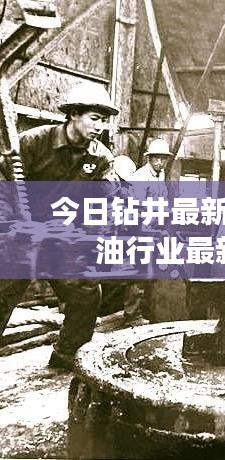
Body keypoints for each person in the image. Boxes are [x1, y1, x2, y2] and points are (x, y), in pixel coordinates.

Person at [0, 81, 119, 371]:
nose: (100, 127)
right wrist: (10, 225)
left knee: (86, 293)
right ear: (74, 114)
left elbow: (105, 205)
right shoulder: (32, 143)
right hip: (21, 235)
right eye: (94, 118)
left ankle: (66, 357)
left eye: (104, 121)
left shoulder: (101, 158)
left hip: (61, 237)